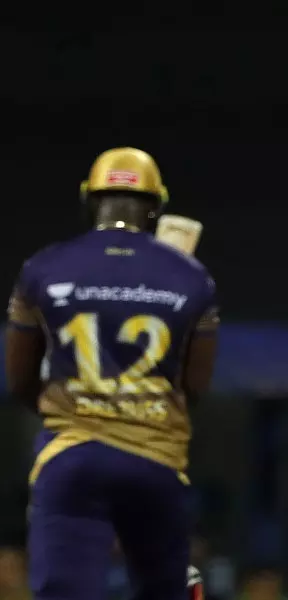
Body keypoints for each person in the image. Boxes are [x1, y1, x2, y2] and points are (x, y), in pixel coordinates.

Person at [5, 147, 220, 600]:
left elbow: (20, 379)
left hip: (71, 457)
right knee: (164, 590)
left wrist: (74, 414)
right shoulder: (192, 277)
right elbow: (195, 386)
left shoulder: (43, 267)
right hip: (155, 461)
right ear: (156, 207)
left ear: (90, 200)